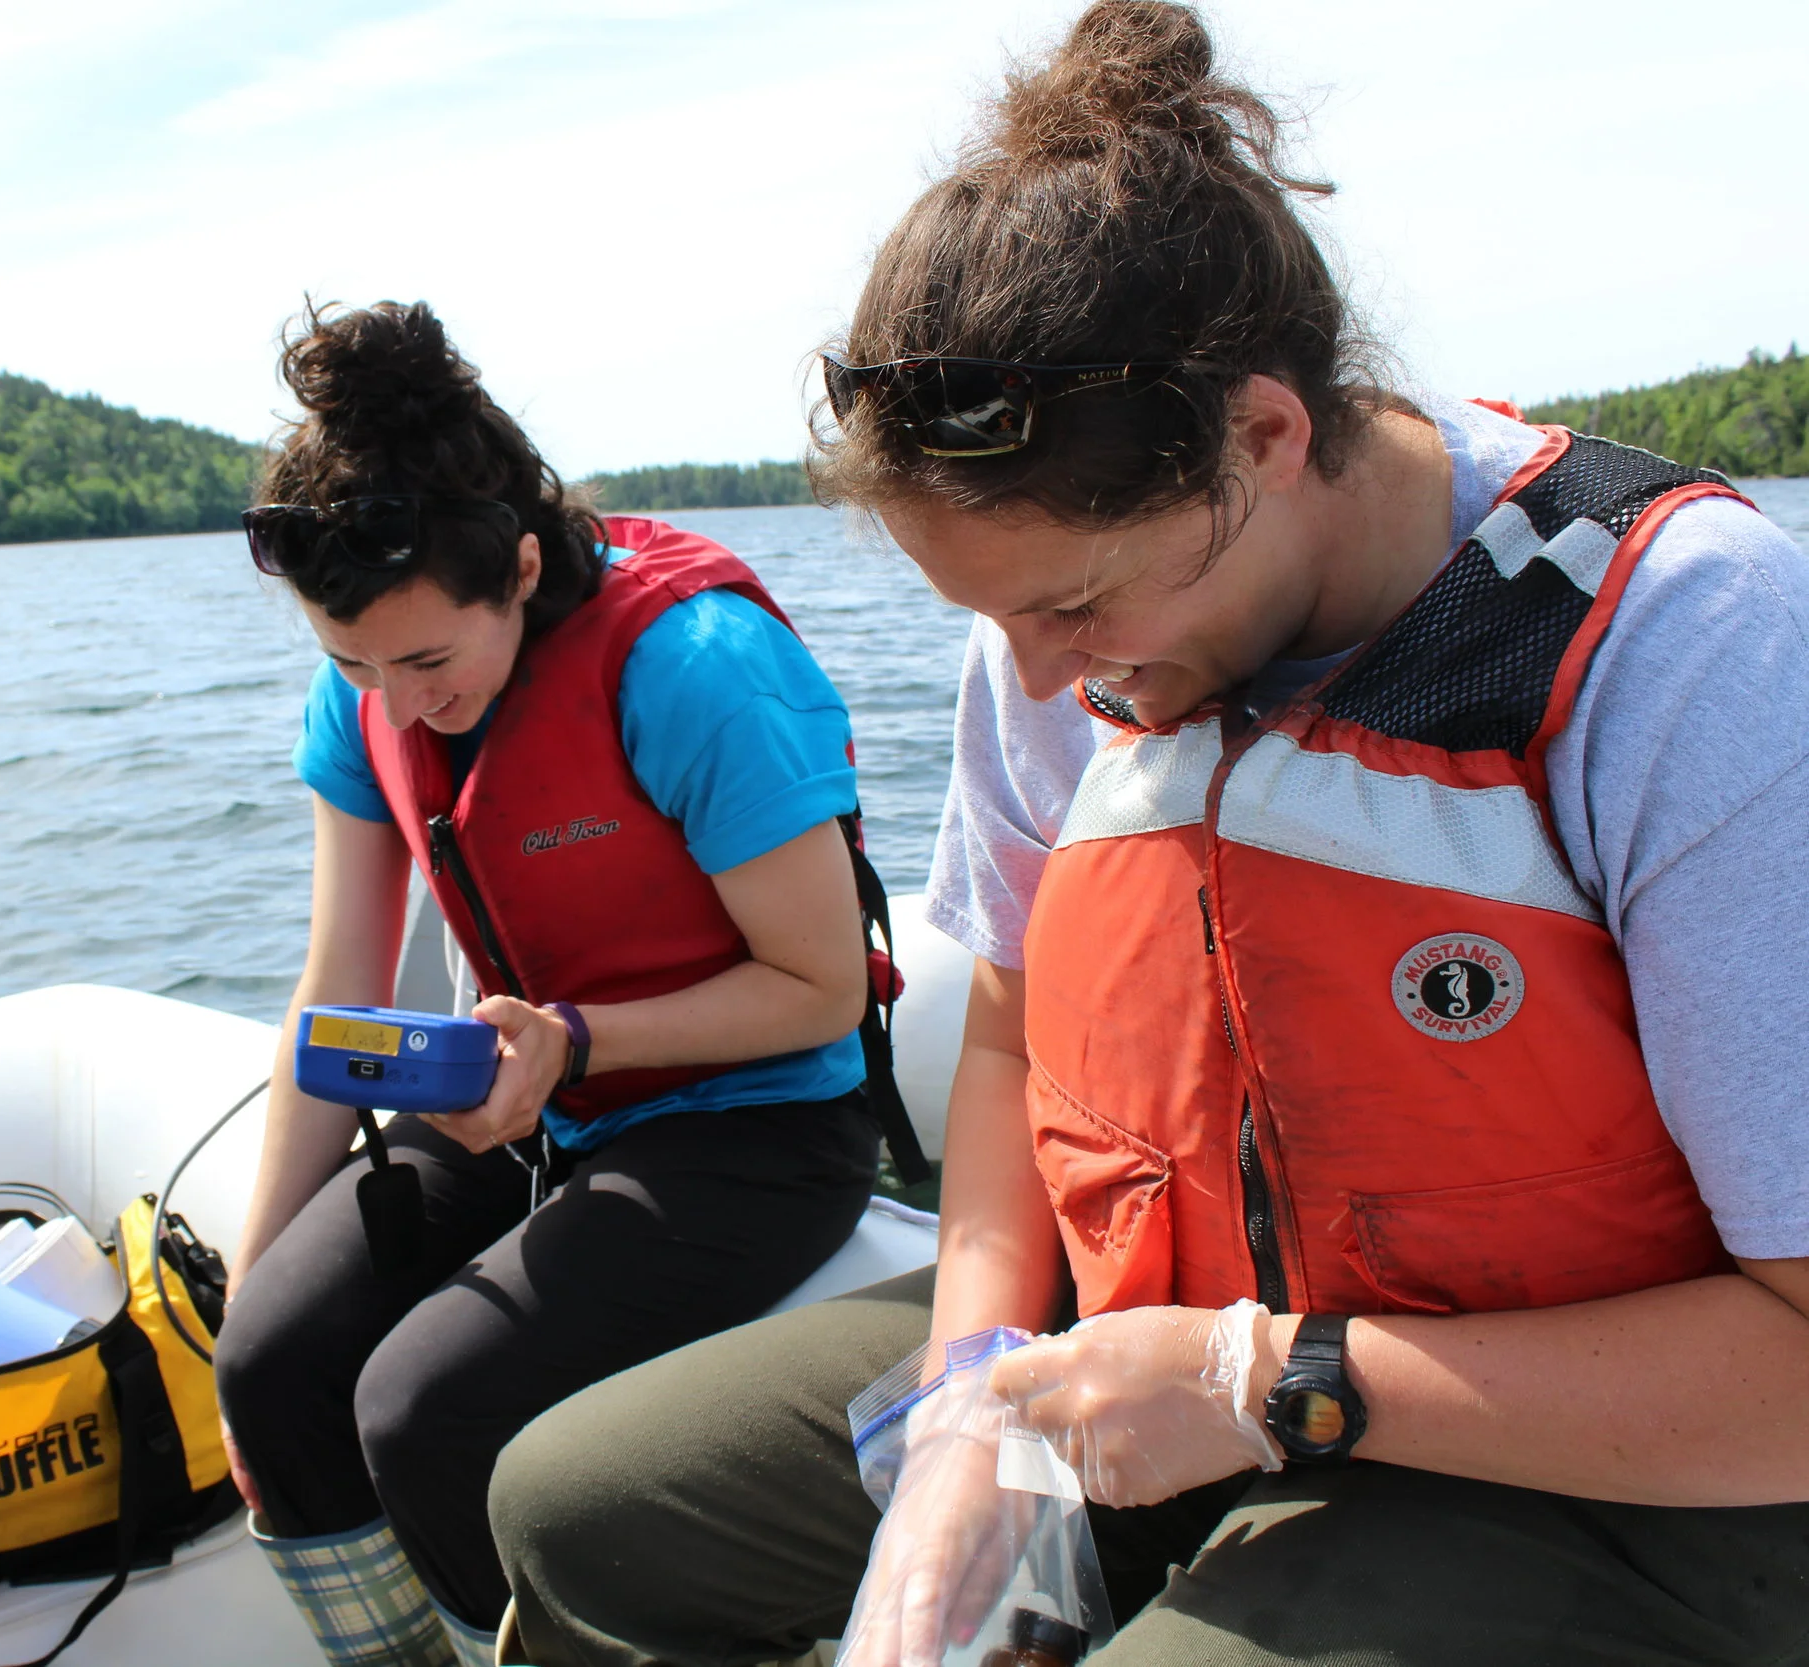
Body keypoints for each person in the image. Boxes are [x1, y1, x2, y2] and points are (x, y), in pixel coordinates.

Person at [484, 5, 1809, 1664]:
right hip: (1158, 1355)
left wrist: (1268, 1382)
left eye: (1076, 604)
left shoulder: (1690, 642)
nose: (1044, 681)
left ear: (1263, 437)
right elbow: (1009, 1050)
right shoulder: (1057, 634)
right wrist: (969, 1403)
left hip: (1613, 1474)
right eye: (997, 617)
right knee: (580, 1508)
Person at [212, 302, 893, 1667]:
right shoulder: (365, 696)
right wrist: (251, 1280)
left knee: (425, 1406)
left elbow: (821, 987)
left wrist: (574, 1042)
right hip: (541, 1104)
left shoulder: (694, 669)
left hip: (758, 1128)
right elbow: (335, 985)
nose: (390, 705)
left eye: (425, 661)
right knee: (269, 1367)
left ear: (522, 566)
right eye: (350, 663)